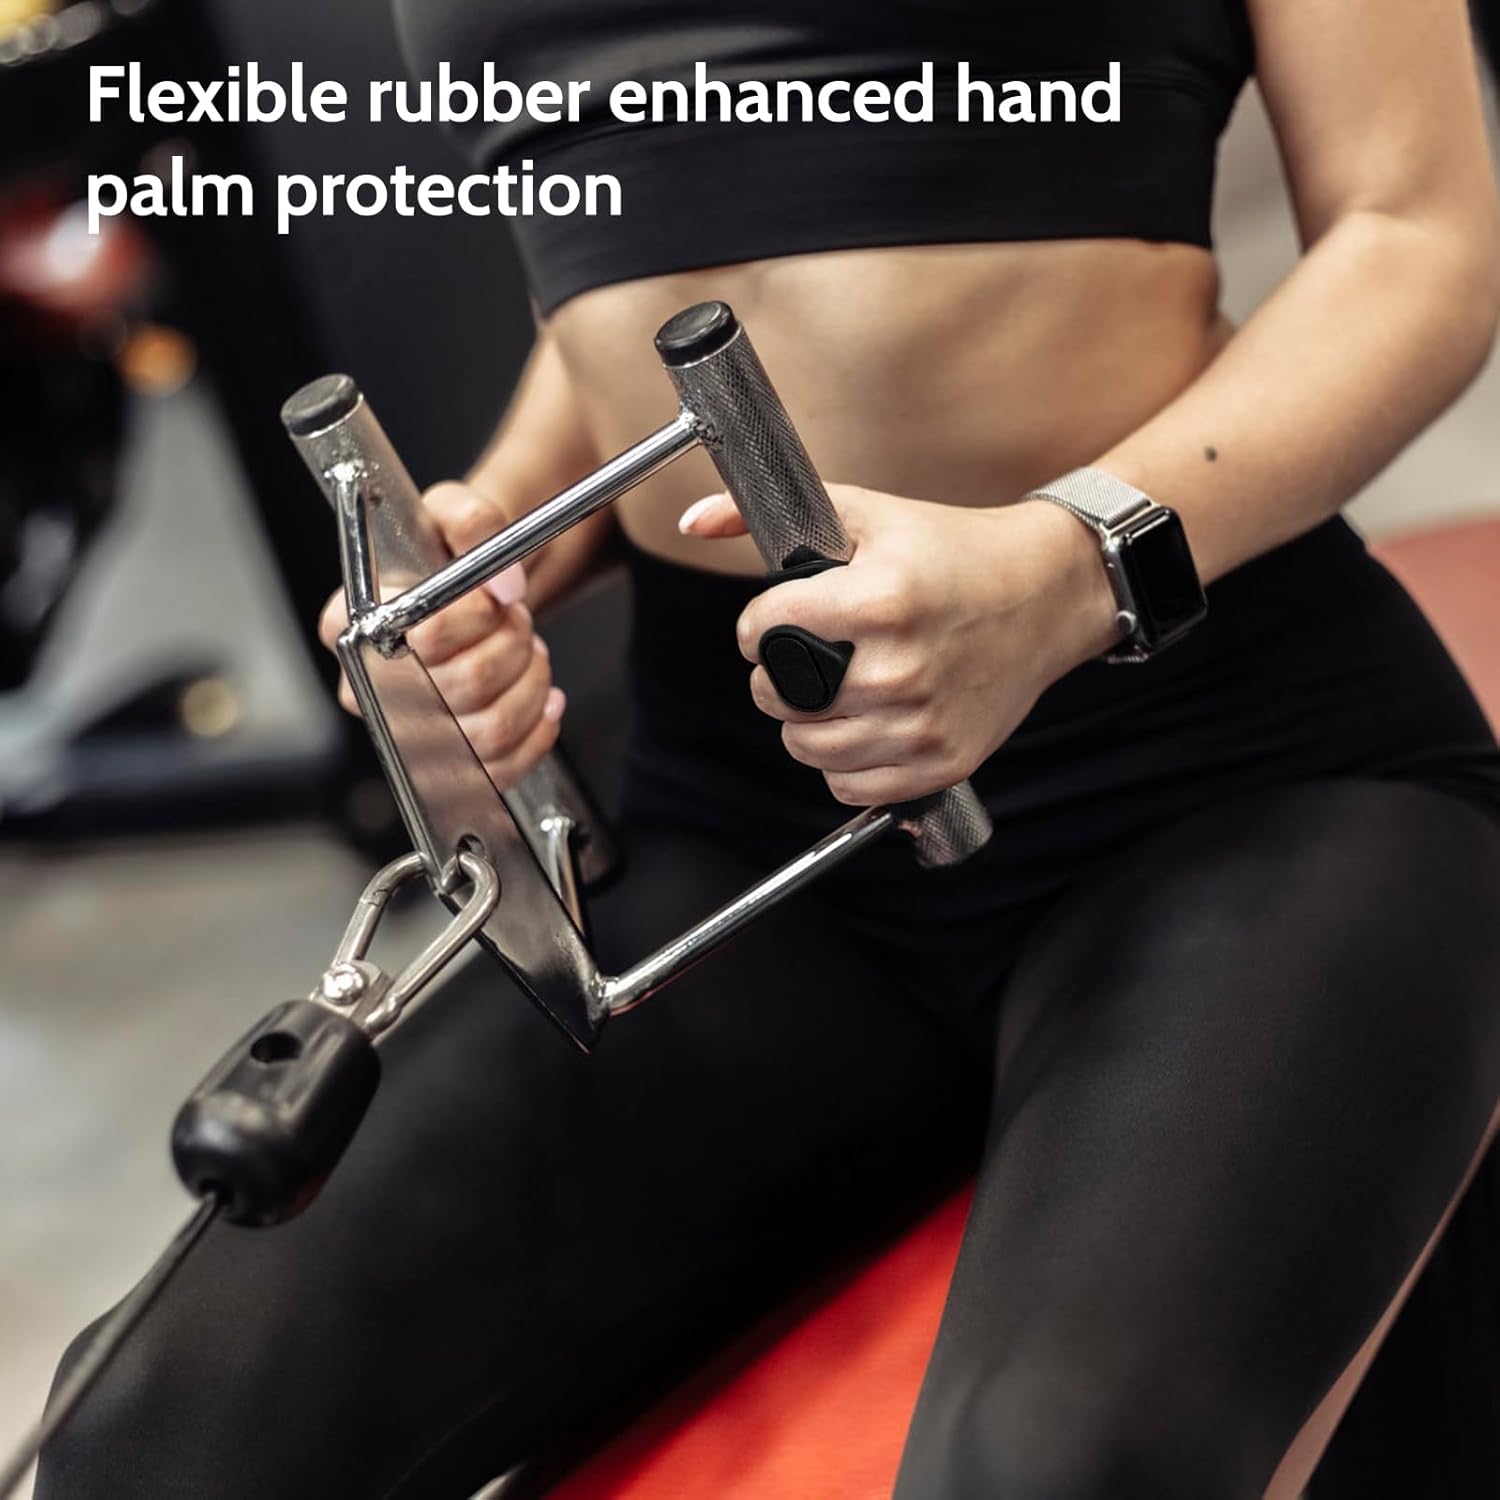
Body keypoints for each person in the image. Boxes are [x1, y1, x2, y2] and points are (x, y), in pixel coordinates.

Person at [38, 1, 1500, 1496]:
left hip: (1223, 765)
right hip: (740, 818)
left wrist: (1064, 568)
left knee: (1051, 1470)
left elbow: (1416, 233)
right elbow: (635, 235)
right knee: (142, 1443)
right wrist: (505, 541)